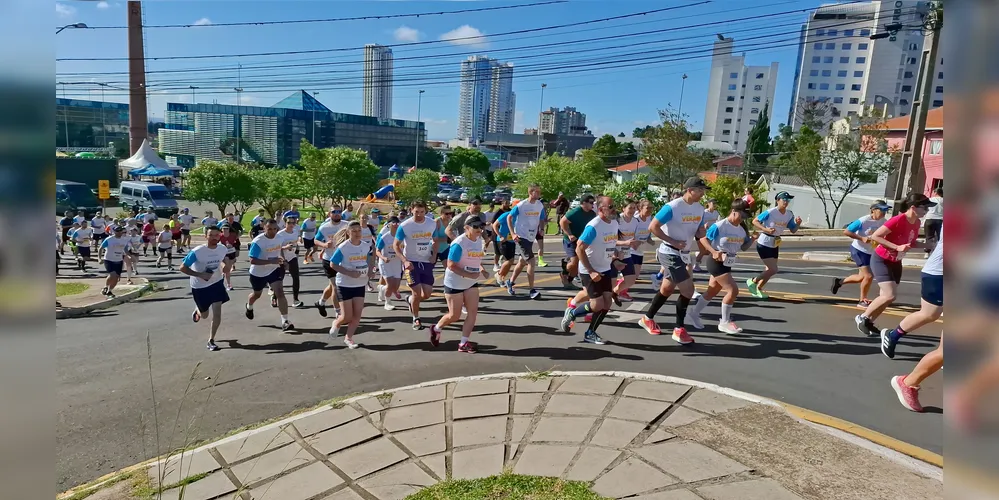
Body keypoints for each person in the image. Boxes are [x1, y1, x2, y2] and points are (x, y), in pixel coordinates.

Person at [637, 177, 710, 345]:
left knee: (667, 289)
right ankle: (679, 329)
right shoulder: (672, 207)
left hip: (683, 253)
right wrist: (673, 241)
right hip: (669, 252)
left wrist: (709, 247)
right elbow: (653, 227)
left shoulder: (700, 209)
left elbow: (699, 232)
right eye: (700, 191)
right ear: (690, 190)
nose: (702, 194)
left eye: (703, 191)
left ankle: (647, 318)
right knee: (688, 290)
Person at [855, 193, 937, 337]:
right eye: (924, 207)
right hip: (881, 259)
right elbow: (876, 236)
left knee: (886, 297)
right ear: (913, 207)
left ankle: (869, 321)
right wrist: (896, 247)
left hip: (896, 261)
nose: (927, 211)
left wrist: (927, 245)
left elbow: (910, 243)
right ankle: (862, 317)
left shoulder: (917, 223)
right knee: (889, 295)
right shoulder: (898, 219)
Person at [560, 196, 635, 345]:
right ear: (601, 210)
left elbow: (610, 244)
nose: (615, 209)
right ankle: (572, 312)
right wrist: (591, 270)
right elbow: (579, 247)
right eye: (611, 207)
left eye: (614, 206)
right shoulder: (594, 226)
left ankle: (590, 333)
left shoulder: (613, 223)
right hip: (589, 270)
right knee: (596, 305)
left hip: (605, 268)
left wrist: (615, 260)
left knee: (607, 303)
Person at [687, 200, 758, 334]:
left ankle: (693, 313)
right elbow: (704, 239)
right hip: (716, 262)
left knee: (712, 292)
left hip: (728, 263)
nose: (742, 219)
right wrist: (714, 252)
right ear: (733, 212)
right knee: (733, 291)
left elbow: (743, 247)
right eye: (741, 216)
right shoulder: (720, 226)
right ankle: (724, 322)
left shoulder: (742, 229)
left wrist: (753, 239)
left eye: (745, 217)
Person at [429, 214, 490, 352]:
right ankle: (436, 328)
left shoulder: (479, 240)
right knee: (454, 316)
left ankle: (463, 343)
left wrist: (482, 270)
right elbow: (451, 265)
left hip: (470, 283)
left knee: (472, 312)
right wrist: (469, 274)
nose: (479, 229)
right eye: (475, 227)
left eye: (481, 226)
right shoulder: (459, 243)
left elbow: (475, 260)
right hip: (454, 283)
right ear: (466, 228)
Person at [180, 226, 234, 351]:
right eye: (211, 235)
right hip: (200, 286)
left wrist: (226, 265)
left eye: (217, 235)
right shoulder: (198, 251)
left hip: (216, 283)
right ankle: (198, 310)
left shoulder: (222, 248)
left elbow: (225, 258)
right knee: (204, 315)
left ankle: (211, 340)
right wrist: (200, 275)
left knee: (217, 312)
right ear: (205, 236)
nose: (214, 237)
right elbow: (182, 267)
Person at [831, 201, 891, 307]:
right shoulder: (863, 220)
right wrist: (861, 238)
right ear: (873, 210)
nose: (884, 213)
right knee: (868, 276)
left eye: (886, 210)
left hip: (871, 252)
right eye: (881, 210)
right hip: (859, 250)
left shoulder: (884, 221)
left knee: (861, 277)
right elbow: (847, 231)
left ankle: (839, 282)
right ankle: (862, 300)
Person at [747, 191, 802, 299]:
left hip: (775, 243)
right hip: (764, 242)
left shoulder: (789, 214)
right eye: (784, 200)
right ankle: (752, 281)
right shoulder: (771, 212)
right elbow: (755, 221)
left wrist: (798, 224)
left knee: (769, 269)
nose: (786, 202)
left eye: (788, 200)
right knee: (773, 269)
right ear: (778, 201)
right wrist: (765, 229)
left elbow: (793, 230)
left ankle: (758, 289)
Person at [394, 201, 440, 330]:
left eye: (422, 212)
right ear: (411, 211)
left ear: (426, 211)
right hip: (411, 263)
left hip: (426, 262)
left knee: (426, 295)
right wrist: (404, 261)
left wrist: (434, 255)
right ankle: (416, 318)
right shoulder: (405, 226)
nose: (419, 215)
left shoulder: (431, 224)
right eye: (416, 212)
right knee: (416, 293)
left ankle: (409, 300)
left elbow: (436, 240)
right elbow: (395, 245)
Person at [245, 219, 296, 331]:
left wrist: (285, 261)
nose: (273, 231)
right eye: (269, 229)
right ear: (264, 229)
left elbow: (279, 250)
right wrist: (270, 262)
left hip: (274, 270)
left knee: (280, 293)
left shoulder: (279, 238)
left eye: (274, 229)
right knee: (257, 294)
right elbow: (252, 260)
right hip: (258, 273)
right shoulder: (258, 241)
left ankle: (285, 321)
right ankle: (249, 306)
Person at [327, 221, 371, 349]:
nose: (357, 233)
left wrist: (370, 270)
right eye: (354, 231)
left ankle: (349, 338)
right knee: (347, 316)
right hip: (344, 284)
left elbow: (369, 258)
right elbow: (333, 264)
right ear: (348, 232)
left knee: (357, 316)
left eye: (359, 230)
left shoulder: (365, 245)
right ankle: (336, 322)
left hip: (359, 284)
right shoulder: (343, 247)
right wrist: (349, 273)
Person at [506, 185, 546, 299]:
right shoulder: (521, 205)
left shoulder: (539, 205)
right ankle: (532, 290)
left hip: (531, 236)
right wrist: (513, 234)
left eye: (539, 192)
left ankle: (510, 281)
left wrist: (541, 229)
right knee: (532, 262)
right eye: (537, 192)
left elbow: (542, 218)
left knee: (522, 262)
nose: (539, 194)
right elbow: (509, 218)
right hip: (521, 236)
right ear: (531, 192)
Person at [314, 206, 349, 318]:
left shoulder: (346, 225)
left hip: (343, 259)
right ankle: (338, 312)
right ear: (329, 214)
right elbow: (315, 240)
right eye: (334, 212)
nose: (337, 214)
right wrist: (324, 245)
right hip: (329, 259)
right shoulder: (324, 227)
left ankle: (321, 303)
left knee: (332, 285)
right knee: (336, 286)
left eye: (339, 212)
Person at [559, 195, 596, 288]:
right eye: (591, 202)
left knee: (579, 263)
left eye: (593, 202)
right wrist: (569, 234)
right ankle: (565, 271)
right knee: (575, 262)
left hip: (582, 240)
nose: (593, 204)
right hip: (571, 240)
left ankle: (569, 280)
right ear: (584, 203)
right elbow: (562, 222)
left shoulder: (592, 214)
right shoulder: (575, 212)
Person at [612, 199, 642, 302]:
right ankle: (603, 301)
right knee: (610, 280)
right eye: (630, 208)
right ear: (623, 208)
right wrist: (620, 247)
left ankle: (614, 292)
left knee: (631, 280)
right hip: (613, 254)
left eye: (634, 208)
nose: (632, 210)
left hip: (626, 253)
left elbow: (632, 237)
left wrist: (636, 242)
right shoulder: (617, 220)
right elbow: (610, 240)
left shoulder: (635, 221)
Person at [376, 216, 403, 310]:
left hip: (397, 263)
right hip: (386, 263)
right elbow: (377, 251)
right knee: (390, 285)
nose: (396, 224)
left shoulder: (401, 237)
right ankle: (387, 303)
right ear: (389, 225)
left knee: (395, 287)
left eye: (397, 223)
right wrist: (383, 257)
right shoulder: (385, 237)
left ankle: (382, 288)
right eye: (393, 223)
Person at [277, 216, 304, 308]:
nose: (291, 225)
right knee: (279, 280)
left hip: (292, 257)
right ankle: (274, 297)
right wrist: (285, 248)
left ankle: (295, 300)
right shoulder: (280, 234)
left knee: (296, 278)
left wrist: (296, 249)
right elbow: (277, 248)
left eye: (293, 223)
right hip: (281, 258)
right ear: (285, 223)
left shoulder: (295, 232)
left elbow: (295, 244)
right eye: (289, 223)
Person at [97, 226, 131, 298]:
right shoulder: (109, 239)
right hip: (109, 259)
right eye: (117, 231)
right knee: (112, 275)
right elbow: (101, 248)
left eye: (120, 231)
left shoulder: (124, 240)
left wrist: (129, 256)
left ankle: (109, 290)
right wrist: (99, 258)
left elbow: (125, 249)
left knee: (116, 277)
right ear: (114, 231)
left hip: (119, 260)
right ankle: (106, 287)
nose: (119, 232)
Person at [693, 200, 720, 272]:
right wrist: (703, 226)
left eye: (715, 203)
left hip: (710, 234)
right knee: (703, 251)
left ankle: (698, 254)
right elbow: (698, 222)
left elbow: (717, 223)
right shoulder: (704, 213)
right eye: (713, 203)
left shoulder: (716, 213)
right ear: (708, 204)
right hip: (701, 234)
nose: (714, 205)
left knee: (708, 251)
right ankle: (696, 265)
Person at [490, 199, 512, 273]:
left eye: (508, 203)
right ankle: (495, 265)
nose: (507, 204)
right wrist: (498, 233)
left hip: (507, 235)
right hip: (497, 234)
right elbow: (493, 224)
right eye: (506, 203)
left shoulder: (510, 211)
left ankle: (502, 263)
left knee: (506, 251)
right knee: (497, 252)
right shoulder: (498, 212)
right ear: (502, 203)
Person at [219, 224, 239, 290]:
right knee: (227, 269)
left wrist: (236, 249)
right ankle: (228, 284)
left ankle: (223, 275)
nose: (225, 230)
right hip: (224, 253)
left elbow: (237, 243)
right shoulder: (220, 236)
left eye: (227, 228)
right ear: (222, 230)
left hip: (231, 252)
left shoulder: (233, 235)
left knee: (228, 269)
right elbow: (215, 244)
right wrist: (222, 245)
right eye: (224, 229)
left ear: (229, 229)